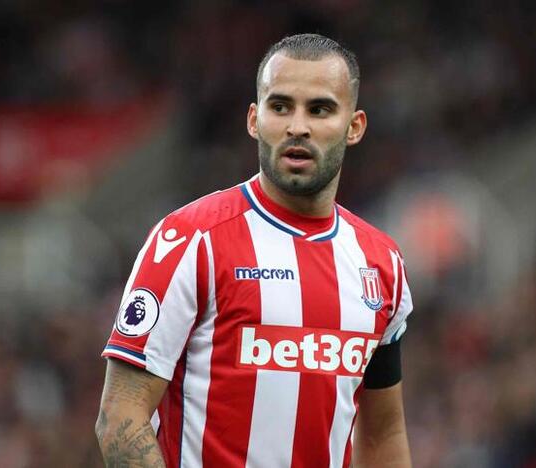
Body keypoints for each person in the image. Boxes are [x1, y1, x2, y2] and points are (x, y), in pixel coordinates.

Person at [96, 33, 413, 468]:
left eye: (319, 109)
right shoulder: (190, 241)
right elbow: (120, 416)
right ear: (254, 119)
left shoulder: (382, 265)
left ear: (354, 126)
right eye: (280, 106)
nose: (297, 126)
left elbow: (383, 434)